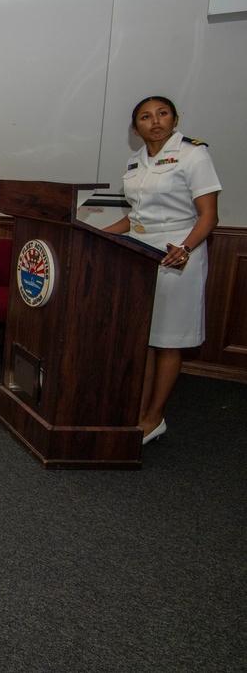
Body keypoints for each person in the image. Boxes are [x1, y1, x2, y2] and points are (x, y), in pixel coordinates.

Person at [102, 96, 221, 445]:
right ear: (135, 128)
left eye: (162, 113)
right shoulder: (135, 162)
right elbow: (134, 218)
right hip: (138, 254)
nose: (155, 121)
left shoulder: (193, 154)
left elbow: (209, 216)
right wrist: (93, 234)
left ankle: (154, 418)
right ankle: (137, 411)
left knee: (169, 340)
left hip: (177, 254)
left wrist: (185, 248)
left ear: (175, 119)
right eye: (145, 116)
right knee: (144, 338)